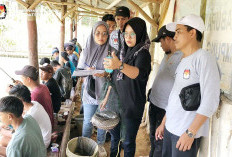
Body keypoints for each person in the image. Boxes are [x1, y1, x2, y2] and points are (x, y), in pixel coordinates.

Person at [155, 14, 220, 157]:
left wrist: (190, 133)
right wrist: (164, 122)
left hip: (184, 134)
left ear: (192, 33)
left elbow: (210, 101)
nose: (175, 36)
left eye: (178, 32)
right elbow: (174, 96)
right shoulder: (184, 59)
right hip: (171, 128)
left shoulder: (204, 58)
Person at [103, 17, 151, 157]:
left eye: (132, 34)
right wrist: (107, 98)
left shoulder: (143, 54)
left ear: (140, 34)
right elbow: (113, 79)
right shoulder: (122, 51)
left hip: (132, 105)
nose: (128, 37)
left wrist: (120, 65)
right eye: (126, 34)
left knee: (128, 141)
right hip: (117, 104)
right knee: (115, 138)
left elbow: (138, 74)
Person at [77, 21, 111, 157]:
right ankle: (85, 147)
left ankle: (100, 147)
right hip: (90, 94)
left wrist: (104, 73)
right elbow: (79, 73)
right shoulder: (86, 51)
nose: (101, 36)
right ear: (92, 34)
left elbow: (114, 75)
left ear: (108, 35)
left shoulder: (111, 51)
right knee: (88, 121)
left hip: (105, 94)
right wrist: (87, 71)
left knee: (102, 122)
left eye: (104, 34)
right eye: (97, 33)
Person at [148, 25, 182, 157]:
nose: (160, 45)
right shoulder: (166, 55)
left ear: (168, 39)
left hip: (165, 109)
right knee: (153, 139)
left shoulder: (182, 57)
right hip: (154, 104)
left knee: (160, 144)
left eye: (161, 42)